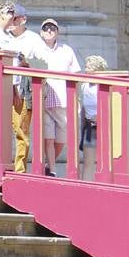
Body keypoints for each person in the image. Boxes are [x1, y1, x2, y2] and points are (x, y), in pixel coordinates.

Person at [1, 4, 49, 173]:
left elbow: (44, 64)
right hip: (4, 86)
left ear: (23, 19)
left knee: (21, 128)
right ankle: (3, 164)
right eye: (8, 18)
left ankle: (19, 169)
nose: (11, 21)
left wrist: (26, 63)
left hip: (23, 88)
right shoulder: (3, 36)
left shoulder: (33, 39)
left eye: (15, 18)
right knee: (2, 127)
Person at [38, 18, 81, 177]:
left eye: (52, 29)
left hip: (63, 98)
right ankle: (53, 170)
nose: (49, 31)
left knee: (61, 139)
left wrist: (77, 99)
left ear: (57, 32)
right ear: (41, 32)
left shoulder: (66, 50)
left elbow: (76, 73)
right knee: (48, 137)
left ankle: (49, 164)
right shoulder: (36, 49)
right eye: (46, 28)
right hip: (44, 98)